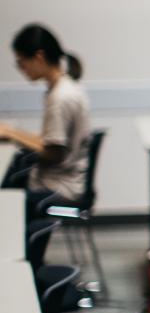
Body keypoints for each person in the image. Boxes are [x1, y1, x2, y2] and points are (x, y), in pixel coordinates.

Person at [0, 23, 90, 221]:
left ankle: (25, 251)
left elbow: (53, 153)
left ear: (39, 57)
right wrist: (11, 131)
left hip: (59, 189)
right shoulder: (65, 88)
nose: (22, 69)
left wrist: (12, 134)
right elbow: (49, 141)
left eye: (22, 62)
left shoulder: (60, 97)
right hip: (65, 182)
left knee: (7, 200)